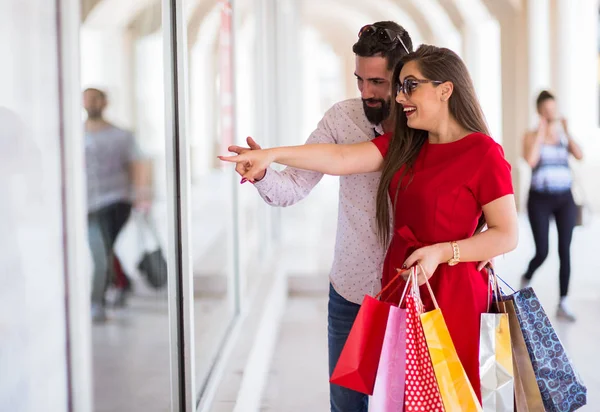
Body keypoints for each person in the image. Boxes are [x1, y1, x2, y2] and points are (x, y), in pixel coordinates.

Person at [219, 44, 519, 402]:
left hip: (453, 295)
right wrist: (271, 155)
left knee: (451, 401)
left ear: (445, 89)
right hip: (400, 291)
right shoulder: (407, 144)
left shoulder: (483, 152)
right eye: (398, 86)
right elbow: (340, 157)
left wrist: (443, 252)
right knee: (394, 401)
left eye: (409, 86)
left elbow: (507, 234)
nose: (399, 97)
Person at [229, 21, 413, 411]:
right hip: (350, 294)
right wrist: (262, 174)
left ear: (403, 77)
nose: (366, 92)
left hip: (414, 297)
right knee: (347, 407)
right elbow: (292, 187)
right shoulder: (341, 119)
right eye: (359, 80)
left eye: (377, 82)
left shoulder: (426, 127)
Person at [83, 88, 152, 322]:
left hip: (116, 201)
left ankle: (97, 303)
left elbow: (139, 164)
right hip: (86, 204)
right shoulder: (75, 134)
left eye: (93, 99)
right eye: (85, 99)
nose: (89, 103)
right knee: (104, 249)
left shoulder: (121, 136)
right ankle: (123, 283)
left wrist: (141, 194)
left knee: (101, 251)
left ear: (104, 103)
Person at [521, 90, 583, 322]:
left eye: (553, 111)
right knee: (543, 251)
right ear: (539, 112)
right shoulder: (530, 135)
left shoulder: (563, 136)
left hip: (565, 198)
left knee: (565, 250)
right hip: (540, 199)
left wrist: (565, 131)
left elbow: (579, 155)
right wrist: (541, 131)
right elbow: (530, 160)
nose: (550, 115)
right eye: (546, 111)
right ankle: (527, 276)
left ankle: (563, 302)